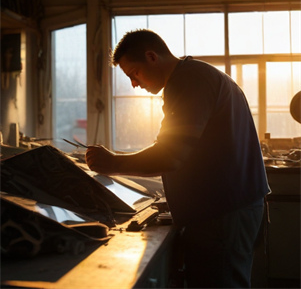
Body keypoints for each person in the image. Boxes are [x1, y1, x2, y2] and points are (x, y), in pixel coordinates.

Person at [85, 29, 270, 289]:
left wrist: (114, 163)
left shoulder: (189, 80)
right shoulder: (194, 76)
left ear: (151, 57)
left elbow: (171, 153)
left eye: (134, 73)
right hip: (227, 209)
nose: (134, 84)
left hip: (223, 213)